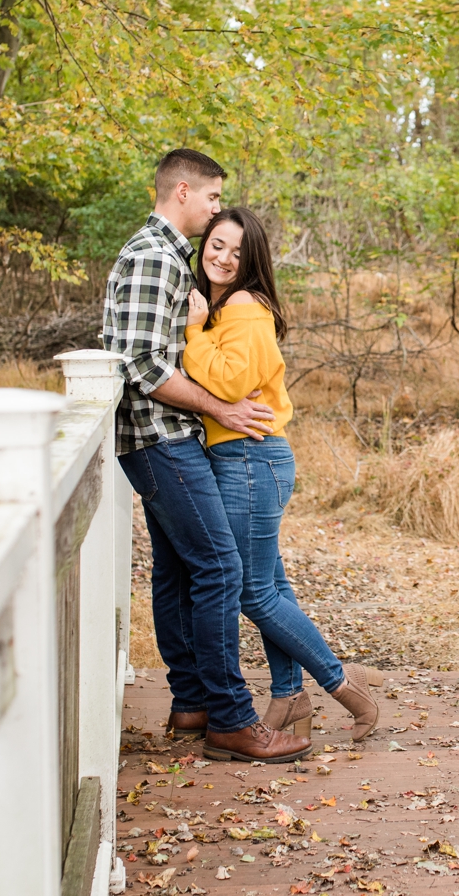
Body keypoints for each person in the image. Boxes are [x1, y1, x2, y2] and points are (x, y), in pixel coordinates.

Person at [102, 149, 311, 763]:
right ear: (185, 191)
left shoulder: (172, 259)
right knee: (222, 568)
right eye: (215, 198)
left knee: (176, 569)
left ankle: (192, 701)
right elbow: (140, 364)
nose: (219, 208)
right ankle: (230, 717)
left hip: (166, 434)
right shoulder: (152, 256)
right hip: (159, 436)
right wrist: (218, 408)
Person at [182, 207, 383, 740]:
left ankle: (344, 689)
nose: (222, 257)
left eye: (236, 252)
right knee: (270, 585)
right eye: (216, 244)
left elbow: (227, 383)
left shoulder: (244, 307)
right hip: (249, 459)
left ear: (253, 262)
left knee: (253, 594)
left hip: (250, 460)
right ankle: (290, 696)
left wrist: (193, 332)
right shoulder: (230, 307)